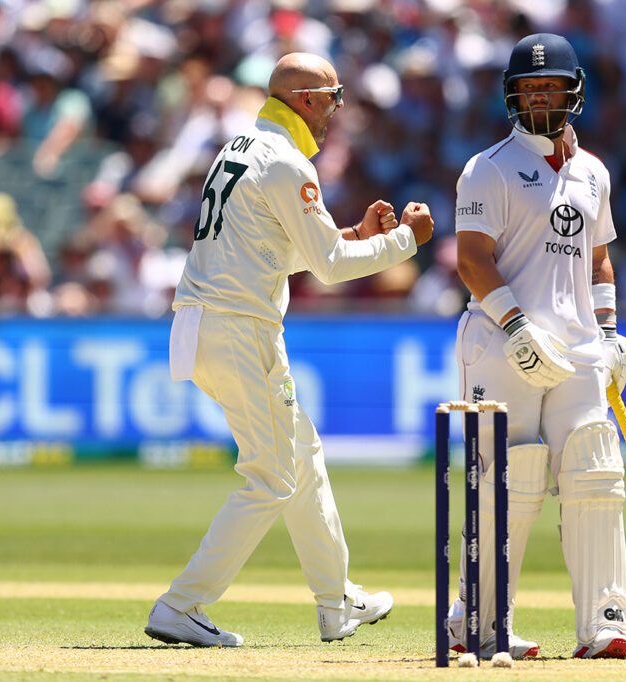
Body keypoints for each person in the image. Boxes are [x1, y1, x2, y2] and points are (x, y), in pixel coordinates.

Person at [145, 52, 434, 648]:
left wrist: (355, 234)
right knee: (272, 478)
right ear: (306, 99)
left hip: (205, 320)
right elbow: (328, 268)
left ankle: (336, 602)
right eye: (333, 96)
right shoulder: (287, 161)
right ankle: (181, 604)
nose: (336, 109)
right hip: (240, 325)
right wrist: (407, 241)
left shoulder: (243, 146)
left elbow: (285, 248)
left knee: (301, 457)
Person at [447, 33, 626, 661]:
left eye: (550, 86)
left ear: (573, 92)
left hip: (578, 348)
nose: (539, 97)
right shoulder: (488, 167)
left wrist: (607, 336)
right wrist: (517, 327)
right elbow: (471, 261)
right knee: (509, 478)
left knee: (594, 471)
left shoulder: (593, 172)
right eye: (529, 88)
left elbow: (600, 263)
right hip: (501, 344)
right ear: (511, 95)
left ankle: (605, 624)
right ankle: (476, 620)